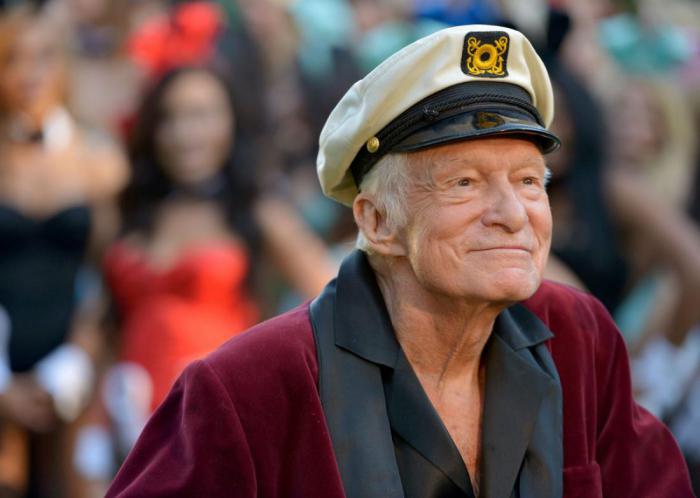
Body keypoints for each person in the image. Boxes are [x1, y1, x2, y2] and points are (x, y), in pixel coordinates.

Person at [106, 25, 694, 498]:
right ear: (377, 222)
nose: (513, 214)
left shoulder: (578, 337)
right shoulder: (248, 387)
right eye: (465, 183)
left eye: (528, 181)